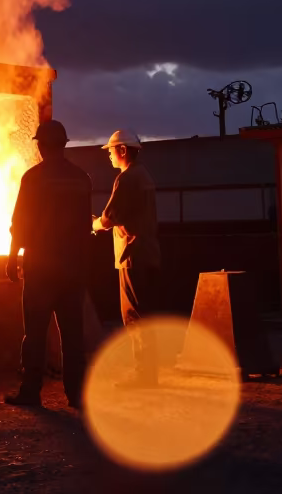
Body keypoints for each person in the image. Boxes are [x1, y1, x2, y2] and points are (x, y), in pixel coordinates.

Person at [5, 118, 93, 409]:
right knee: (72, 335)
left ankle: (31, 392)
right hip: (73, 269)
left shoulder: (33, 178)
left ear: (42, 145)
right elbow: (84, 226)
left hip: (41, 268)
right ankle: (77, 395)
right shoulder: (82, 178)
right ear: (64, 144)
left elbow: (20, 223)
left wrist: (11, 257)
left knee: (35, 334)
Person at [92, 129, 161, 388]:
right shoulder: (144, 176)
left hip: (132, 256)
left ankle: (143, 376)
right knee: (147, 317)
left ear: (122, 150)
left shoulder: (127, 178)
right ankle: (149, 374)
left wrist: (94, 224)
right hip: (148, 253)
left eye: (111, 151)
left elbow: (109, 217)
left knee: (134, 316)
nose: (109, 156)